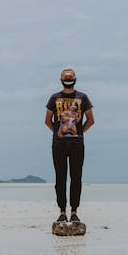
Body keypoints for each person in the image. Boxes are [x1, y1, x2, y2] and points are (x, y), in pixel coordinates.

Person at [45, 68, 94, 223]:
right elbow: (91, 120)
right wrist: (80, 133)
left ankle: (63, 212)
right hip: (75, 143)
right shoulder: (82, 97)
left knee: (62, 178)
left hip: (61, 143)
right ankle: (73, 211)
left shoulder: (55, 97)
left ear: (61, 81)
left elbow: (48, 121)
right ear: (75, 80)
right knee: (75, 178)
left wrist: (58, 133)